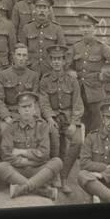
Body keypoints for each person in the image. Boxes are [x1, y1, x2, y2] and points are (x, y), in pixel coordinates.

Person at [0, 91, 62, 200]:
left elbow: (45, 153)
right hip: (17, 170)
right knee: (1, 167)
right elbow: (5, 153)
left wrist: (22, 152)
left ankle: (21, 188)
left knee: (57, 162)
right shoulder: (11, 126)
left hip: (38, 169)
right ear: (18, 109)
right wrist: (25, 161)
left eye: (29, 106)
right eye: (23, 107)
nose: (27, 110)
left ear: (34, 108)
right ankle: (41, 189)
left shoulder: (42, 125)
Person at [68, 13, 110, 133]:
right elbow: (66, 66)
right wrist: (70, 72)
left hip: (95, 94)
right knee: (78, 128)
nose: (85, 30)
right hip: (78, 94)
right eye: (83, 27)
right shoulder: (76, 47)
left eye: (88, 26)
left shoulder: (101, 47)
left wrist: (103, 76)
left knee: (95, 129)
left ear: (94, 28)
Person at [39, 45, 84, 194]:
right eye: (53, 59)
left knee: (77, 141)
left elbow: (77, 103)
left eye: (59, 59)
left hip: (69, 118)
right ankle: (56, 174)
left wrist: (74, 122)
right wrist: (49, 117)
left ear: (64, 61)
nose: (56, 62)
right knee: (53, 136)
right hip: (54, 118)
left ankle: (64, 176)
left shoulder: (72, 80)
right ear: (50, 61)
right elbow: (43, 102)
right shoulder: (45, 80)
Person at [0, 43, 40, 132]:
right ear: (13, 57)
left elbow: (36, 101)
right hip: (10, 113)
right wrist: (6, 117)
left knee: (39, 130)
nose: (21, 58)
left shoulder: (33, 75)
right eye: (19, 55)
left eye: (24, 55)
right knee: (4, 130)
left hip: (28, 114)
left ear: (27, 58)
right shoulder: (3, 75)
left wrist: (35, 117)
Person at [18, 0, 66, 75]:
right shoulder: (27, 28)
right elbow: (22, 50)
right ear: (35, 10)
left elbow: (62, 52)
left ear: (49, 11)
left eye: (44, 7)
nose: (42, 11)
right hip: (31, 70)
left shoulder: (57, 29)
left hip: (50, 71)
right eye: (39, 7)